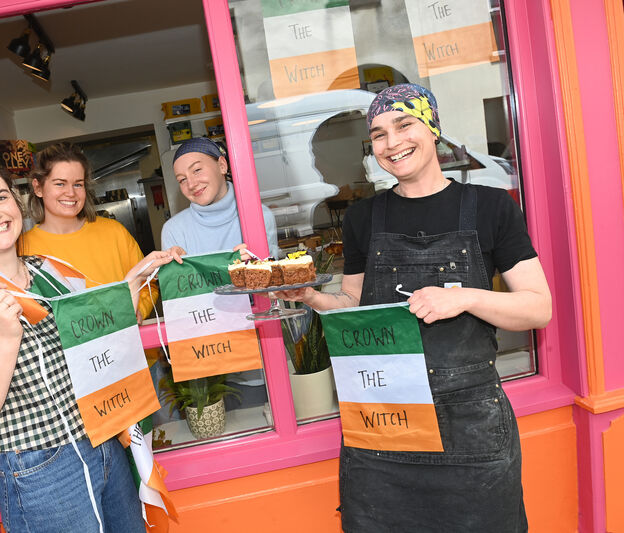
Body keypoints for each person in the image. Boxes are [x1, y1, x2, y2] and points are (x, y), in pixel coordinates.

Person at [277, 83, 551, 532]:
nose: (392, 143)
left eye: (404, 124)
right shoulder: (363, 218)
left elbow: (538, 308)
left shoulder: (490, 207)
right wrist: (311, 297)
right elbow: (352, 304)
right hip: (387, 417)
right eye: (379, 134)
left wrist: (463, 296)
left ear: (433, 128)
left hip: (470, 421)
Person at [0, 151, 180, 532]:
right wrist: (7, 339)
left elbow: (92, 339)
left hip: (105, 445)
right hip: (43, 475)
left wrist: (134, 281)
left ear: (18, 199)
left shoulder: (51, 271)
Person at [161, 137, 280, 410]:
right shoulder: (174, 231)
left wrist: (252, 272)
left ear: (222, 164)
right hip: (209, 372)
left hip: (261, 364)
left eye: (197, 170)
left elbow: (272, 293)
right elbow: (186, 307)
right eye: (181, 179)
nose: (191, 184)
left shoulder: (258, 217)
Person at [19, 142, 159, 322]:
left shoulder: (114, 232)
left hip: (126, 344)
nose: (70, 193)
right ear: (38, 188)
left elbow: (149, 285)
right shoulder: (23, 249)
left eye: (78, 184)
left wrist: (138, 309)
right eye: (60, 184)